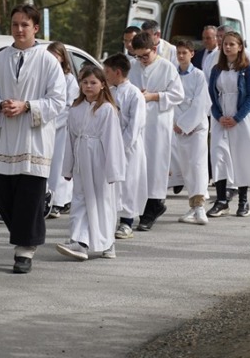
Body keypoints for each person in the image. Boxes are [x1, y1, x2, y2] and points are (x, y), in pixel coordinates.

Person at [0, 4, 67, 274]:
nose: (19, 29)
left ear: (35, 28)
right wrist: (0, 104)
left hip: (33, 138)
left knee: (29, 195)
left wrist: (27, 106)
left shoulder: (47, 60)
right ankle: (24, 232)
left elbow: (58, 100)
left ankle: (24, 250)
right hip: (4, 136)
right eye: (15, 24)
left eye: (24, 25)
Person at [56, 66, 125, 261]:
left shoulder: (106, 110)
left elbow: (113, 141)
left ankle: (108, 241)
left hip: (99, 161)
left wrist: (114, 171)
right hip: (80, 160)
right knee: (79, 200)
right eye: (84, 82)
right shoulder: (75, 108)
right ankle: (80, 241)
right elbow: (70, 139)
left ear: (103, 85)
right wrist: (67, 167)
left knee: (101, 201)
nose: (88, 86)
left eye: (93, 82)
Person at [127, 32, 184, 231]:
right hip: (138, 123)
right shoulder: (133, 67)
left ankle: (153, 207)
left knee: (155, 166)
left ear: (154, 49)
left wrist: (154, 96)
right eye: (138, 56)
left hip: (158, 123)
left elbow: (178, 94)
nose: (142, 60)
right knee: (139, 165)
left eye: (145, 56)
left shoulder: (167, 67)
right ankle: (143, 207)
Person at [206, 31, 250, 217]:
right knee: (219, 155)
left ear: (239, 47)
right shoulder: (216, 69)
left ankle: (243, 200)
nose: (227, 47)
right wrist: (218, 115)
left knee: (241, 156)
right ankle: (221, 200)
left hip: (241, 118)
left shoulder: (247, 68)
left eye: (231, 44)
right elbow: (211, 95)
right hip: (221, 117)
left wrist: (237, 117)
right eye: (225, 44)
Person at [103, 53, 148, 239]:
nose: (104, 75)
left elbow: (135, 125)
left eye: (107, 71)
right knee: (113, 185)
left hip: (128, 148)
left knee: (129, 183)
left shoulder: (134, 94)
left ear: (118, 72)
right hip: (110, 145)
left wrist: (121, 146)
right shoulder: (109, 92)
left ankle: (127, 222)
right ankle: (109, 219)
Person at [170, 40, 212, 225]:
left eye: (184, 52)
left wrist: (186, 124)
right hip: (178, 127)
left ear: (192, 54)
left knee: (198, 164)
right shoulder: (172, 75)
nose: (180, 56)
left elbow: (200, 103)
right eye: (178, 52)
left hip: (196, 128)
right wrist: (176, 123)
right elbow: (170, 99)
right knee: (186, 167)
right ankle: (193, 205)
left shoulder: (199, 75)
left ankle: (200, 205)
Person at [46, 42, 79, 219]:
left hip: (61, 128)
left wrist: (53, 121)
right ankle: (47, 199)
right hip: (45, 126)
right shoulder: (44, 76)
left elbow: (69, 106)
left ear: (62, 57)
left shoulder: (69, 80)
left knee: (59, 164)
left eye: (55, 55)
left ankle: (59, 201)